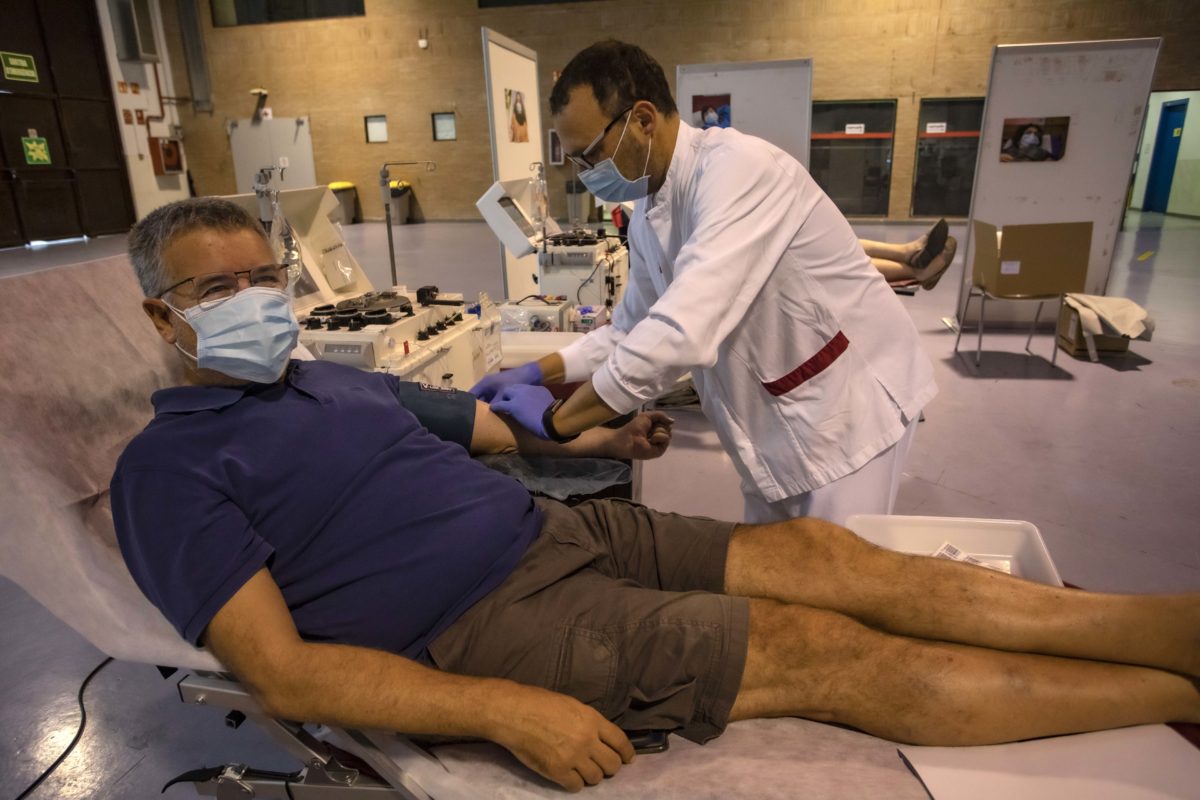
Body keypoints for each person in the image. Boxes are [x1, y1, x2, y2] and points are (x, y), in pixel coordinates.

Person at [112, 198, 1200, 794]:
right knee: (822, 647)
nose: (256, 301)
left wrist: (606, 421)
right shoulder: (166, 473)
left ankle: (1169, 627)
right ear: (165, 318)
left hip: (565, 529)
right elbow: (282, 671)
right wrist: (501, 707)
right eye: (220, 289)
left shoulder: (334, 378)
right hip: (490, 623)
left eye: (265, 279)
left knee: (835, 560)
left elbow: (491, 425)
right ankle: (1165, 690)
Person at [472, 40, 938, 526]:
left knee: (840, 579)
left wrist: (556, 423)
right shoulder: (649, 210)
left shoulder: (738, 170)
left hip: (848, 409)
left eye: (590, 155)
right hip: (777, 419)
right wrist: (538, 372)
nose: (586, 175)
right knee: (779, 571)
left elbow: (679, 334)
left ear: (643, 120)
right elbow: (627, 332)